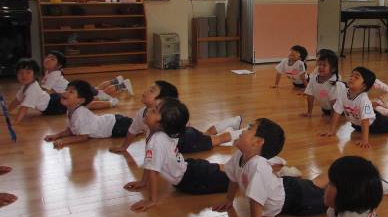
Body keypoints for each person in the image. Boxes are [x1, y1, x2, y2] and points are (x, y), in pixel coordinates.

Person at [211, 117, 334, 217]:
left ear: (258, 142)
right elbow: (233, 177)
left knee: (334, 202)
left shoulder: (257, 167)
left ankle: (340, 175)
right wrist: (229, 199)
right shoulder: (239, 155)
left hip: (296, 200)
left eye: (249, 128)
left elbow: (256, 201)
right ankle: (334, 172)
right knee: (312, 185)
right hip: (285, 186)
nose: (243, 130)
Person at [109, 80, 242, 154]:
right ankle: (234, 121)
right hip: (186, 138)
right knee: (206, 134)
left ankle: (242, 132)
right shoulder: (142, 113)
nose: (146, 91)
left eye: (151, 91)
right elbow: (132, 130)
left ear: (163, 100)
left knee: (217, 139)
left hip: (187, 140)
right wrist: (124, 147)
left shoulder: (170, 116)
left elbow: (184, 131)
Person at [321, 67, 388, 149]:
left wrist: (365, 140)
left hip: (376, 124)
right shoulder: (343, 92)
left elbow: (365, 121)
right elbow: (337, 111)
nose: (351, 78)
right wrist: (332, 130)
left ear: (364, 86)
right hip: (357, 124)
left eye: (356, 77)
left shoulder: (363, 100)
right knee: (367, 111)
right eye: (351, 75)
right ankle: (380, 108)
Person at [43, 80, 133, 148]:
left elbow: (83, 137)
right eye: (66, 90)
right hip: (111, 121)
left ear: (81, 100)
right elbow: (71, 129)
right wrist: (57, 136)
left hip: (116, 127)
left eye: (71, 92)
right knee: (135, 124)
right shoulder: (70, 110)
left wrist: (64, 141)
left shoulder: (79, 114)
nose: (65, 93)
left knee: (136, 128)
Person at [40, 51, 122, 109]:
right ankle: (117, 82)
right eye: (47, 57)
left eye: (52, 59)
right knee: (97, 91)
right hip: (74, 90)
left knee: (98, 94)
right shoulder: (50, 72)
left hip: (76, 91)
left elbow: (45, 90)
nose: (48, 60)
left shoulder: (53, 75)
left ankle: (120, 87)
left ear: (59, 66)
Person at [8, 58, 68, 124]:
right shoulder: (25, 86)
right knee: (62, 97)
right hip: (50, 99)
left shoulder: (32, 90)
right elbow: (17, 100)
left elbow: (24, 108)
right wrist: (7, 111)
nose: (24, 75)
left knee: (68, 102)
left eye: (28, 72)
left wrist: (16, 121)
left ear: (35, 75)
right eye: (20, 73)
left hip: (53, 107)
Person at [302, 49, 342, 118]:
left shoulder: (335, 83)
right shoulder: (313, 78)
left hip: (340, 111)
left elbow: (334, 103)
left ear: (333, 69)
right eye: (319, 64)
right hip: (326, 109)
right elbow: (310, 96)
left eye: (324, 65)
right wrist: (309, 113)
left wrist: (332, 119)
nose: (320, 67)